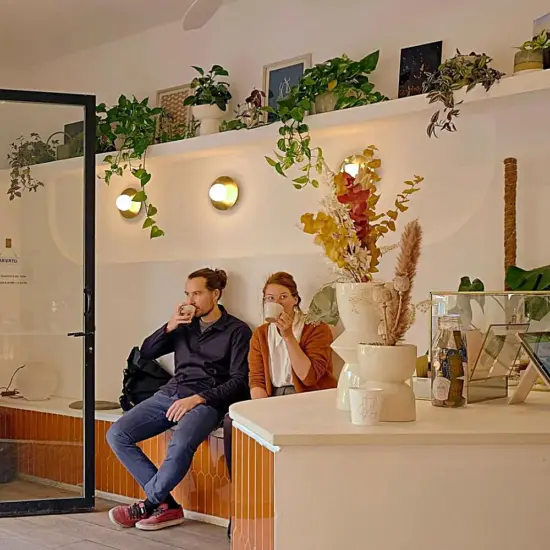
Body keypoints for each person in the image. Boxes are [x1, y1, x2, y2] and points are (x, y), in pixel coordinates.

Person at [107, 268, 252, 531]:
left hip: (207, 402)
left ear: (215, 294)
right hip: (170, 394)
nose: (191, 300)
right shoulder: (183, 326)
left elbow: (239, 382)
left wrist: (198, 399)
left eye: (197, 293)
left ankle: (148, 505)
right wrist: (170, 326)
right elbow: (147, 352)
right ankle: (167, 506)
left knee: (181, 441)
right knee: (117, 434)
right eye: (187, 294)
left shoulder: (237, 331)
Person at [223, 271, 337, 538]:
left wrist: (288, 336)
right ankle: (240, 503)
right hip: (271, 400)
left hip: (308, 400)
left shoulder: (316, 328)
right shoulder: (261, 334)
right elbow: (257, 380)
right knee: (232, 423)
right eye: (270, 298)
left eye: (283, 297)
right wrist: (261, 415)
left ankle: (296, 514)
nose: (277, 302)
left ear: (296, 299)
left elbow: (309, 376)